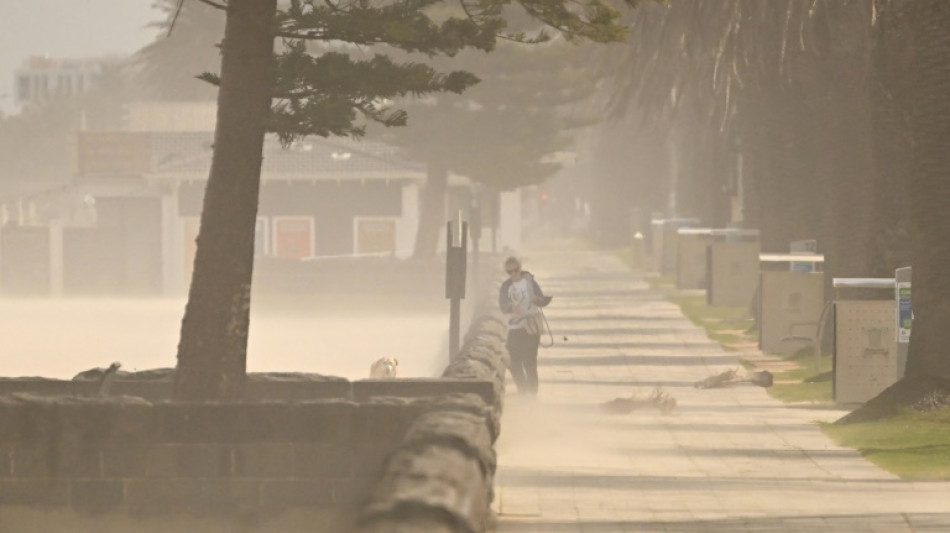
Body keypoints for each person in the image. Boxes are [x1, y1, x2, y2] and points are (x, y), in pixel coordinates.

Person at [498, 256, 551, 395]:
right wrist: (511, 307)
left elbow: (543, 300)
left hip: (531, 327)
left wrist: (537, 300)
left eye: (515, 270)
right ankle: (522, 390)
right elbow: (503, 306)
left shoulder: (530, 282)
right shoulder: (506, 286)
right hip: (515, 328)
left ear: (520, 268)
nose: (513, 274)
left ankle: (532, 396)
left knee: (529, 362)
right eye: (509, 272)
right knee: (513, 363)